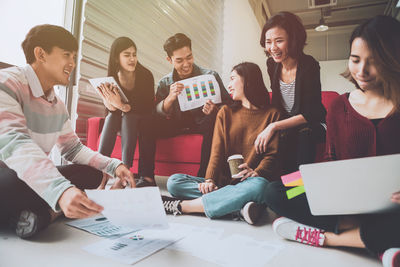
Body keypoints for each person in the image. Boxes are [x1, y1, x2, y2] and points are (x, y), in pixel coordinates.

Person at [264, 16, 400, 266]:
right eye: (356, 60)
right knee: (275, 189)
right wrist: (316, 181)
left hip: (393, 205)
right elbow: (330, 159)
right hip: (346, 195)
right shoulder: (340, 106)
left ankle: (328, 237)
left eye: (374, 62)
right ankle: (378, 241)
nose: (361, 71)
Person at [0, 24, 135, 239]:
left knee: (91, 174)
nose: (72, 63)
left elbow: (72, 148)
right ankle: (51, 211)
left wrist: (113, 165)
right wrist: (60, 190)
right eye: (66, 55)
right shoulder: (6, 83)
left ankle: (39, 211)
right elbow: (14, 143)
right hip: (6, 177)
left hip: (28, 179)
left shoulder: (57, 105)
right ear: (40, 54)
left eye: (74, 56)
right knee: (13, 181)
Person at [162, 62, 281, 225]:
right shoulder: (225, 112)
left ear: (247, 81)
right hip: (222, 182)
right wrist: (209, 180)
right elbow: (216, 152)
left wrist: (256, 172)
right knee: (174, 182)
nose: (229, 85)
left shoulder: (272, 115)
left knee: (261, 186)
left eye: (233, 79)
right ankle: (239, 207)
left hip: (251, 181)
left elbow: (272, 155)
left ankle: (183, 206)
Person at [255, 11, 326, 174]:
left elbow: (310, 114)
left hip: (313, 124)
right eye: (268, 42)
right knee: (282, 136)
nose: (273, 48)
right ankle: (281, 188)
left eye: (279, 41)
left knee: (302, 133)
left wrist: (274, 126)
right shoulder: (272, 65)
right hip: (288, 125)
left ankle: (298, 190)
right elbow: (276, 104)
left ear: (293, 40)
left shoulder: (309, 65)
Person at [155, 33, 232, 177]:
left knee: (213, 120)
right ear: (169, 60)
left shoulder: (210, 75)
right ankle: (145, 176)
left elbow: (229, 105)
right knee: (148, 124)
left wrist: (215, 109)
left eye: (189, 57)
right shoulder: (164, 83)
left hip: (202, 123)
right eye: (179, 60)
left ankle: (203, 176)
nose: (186, 64)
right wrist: (169, 99)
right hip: (176, 125)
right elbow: (157, 114)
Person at [97, 37, 156, 187]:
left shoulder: (146, 75)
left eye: (134, 54)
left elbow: (147, 106)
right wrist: (109, 102)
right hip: (121, 120)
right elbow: (112, 111)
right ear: (117, 58)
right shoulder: (112, 77)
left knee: (129, 116)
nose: (132, 59)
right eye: (127, 55)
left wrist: (123, 106)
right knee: (110, 118)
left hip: (143, 119)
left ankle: (124, 174)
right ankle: (100, 174)